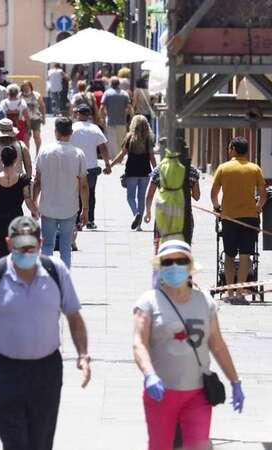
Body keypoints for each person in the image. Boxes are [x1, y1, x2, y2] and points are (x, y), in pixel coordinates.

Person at [0, 216, 91, 450]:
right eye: (20, 246)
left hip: (47, 372)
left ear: (41, 243)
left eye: (30, 246)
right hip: (6, 372)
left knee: (41, 443)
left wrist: (83, 355)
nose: (25, 251)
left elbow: (74, 316)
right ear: (8, 243)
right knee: (16, 444)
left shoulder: (56, 271)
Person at [133, 240, 244, 450]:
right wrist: (149, 374)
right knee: (160, 446)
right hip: (161, 394)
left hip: (198, 395)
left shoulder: (204, 302)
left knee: (198, 446)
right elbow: (139, 343)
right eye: (168, 262)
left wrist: (235, 381)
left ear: (190, 267)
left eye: (181, 261)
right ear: (161, 267)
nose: (174, 266)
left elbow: (217, 345)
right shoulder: (148, 302)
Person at [211, 136, 267, 300]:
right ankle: (240, 292)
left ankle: (229, 292)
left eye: (229, 148)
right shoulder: (255, 169)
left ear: (234, 149)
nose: (228, 151)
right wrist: (256, 208)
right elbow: (263, 195)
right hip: (250, 218)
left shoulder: (223, 168)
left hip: (229, 217)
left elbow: (213, 194)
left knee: (228, 254)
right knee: (245, 255)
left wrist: (217, 208)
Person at [33, 117, 89, 268]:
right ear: (71, 132)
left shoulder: (44, 151)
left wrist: (33, 202)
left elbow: (37, 181)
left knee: (47, 246)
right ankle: (64, 280)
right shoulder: (78, 154)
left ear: (55, 132)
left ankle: (46, 278)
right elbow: (83, 185)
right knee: (65, 247)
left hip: (48, 206)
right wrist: (85, 209)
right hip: (69, 207)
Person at [0, 146, 38, 259]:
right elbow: (28, 200)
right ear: (16, 160)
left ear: (1, 160)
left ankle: (2, 275)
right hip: (16, 221)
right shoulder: (22, 179)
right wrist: (37, 213)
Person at [111, 115, 157, 231]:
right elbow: (152, 157)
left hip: (131, 171)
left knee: (130, 197)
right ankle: (139, 225)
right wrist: (156, 171)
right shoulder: (149, 139)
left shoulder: (129, 138)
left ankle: (136, 213)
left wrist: (110, 165)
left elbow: (121, 155)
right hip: (145, 172)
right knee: (141, 197)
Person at [70, 104, 111, 230]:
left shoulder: (72, 128)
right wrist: (107, 164)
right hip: (91, 167)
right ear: (89, 115)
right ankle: (90, 220)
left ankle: (77, 221)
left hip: (75, 166)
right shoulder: (95, 129)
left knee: (76, 194)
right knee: (91, 193)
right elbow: (103, 147)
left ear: (78, 114)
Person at [100, 76, 132, 160]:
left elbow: (101, 107)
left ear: (111, 84)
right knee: (121, 140)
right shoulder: (125, 94)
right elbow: (129, 107)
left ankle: (114, 158)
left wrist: (102, 118)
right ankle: (120, 157)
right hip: (122, 121)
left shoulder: (107, 93)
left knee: (111, 140)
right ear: (119, 84)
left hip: (110, 121)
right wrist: (131, 119)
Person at [21, 81, 46, 152]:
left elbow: (42, 106)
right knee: (26, 138)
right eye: (24, 87)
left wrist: (43, 118)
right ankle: (27, 154)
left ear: (30, 87)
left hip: (36, 119)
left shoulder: (37, 95)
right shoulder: (20, 96)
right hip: (24, 120)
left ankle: (38, 153)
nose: (26, 88)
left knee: (36, 136)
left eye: (27, 87)